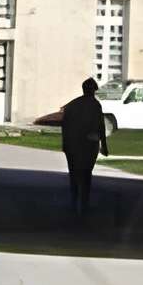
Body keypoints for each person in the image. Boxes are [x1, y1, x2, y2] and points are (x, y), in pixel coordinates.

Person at [59, 77, 108, 219]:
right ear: (92, 90)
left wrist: (65, 144)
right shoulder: (95, 105)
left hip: (73, 144)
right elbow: (101, 126)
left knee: (74, 173)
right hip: (88, 144)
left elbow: (65, 126)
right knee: (86, 173)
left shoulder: (72, 105)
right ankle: (84, 203)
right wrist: (104, 145)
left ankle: (74, 202)